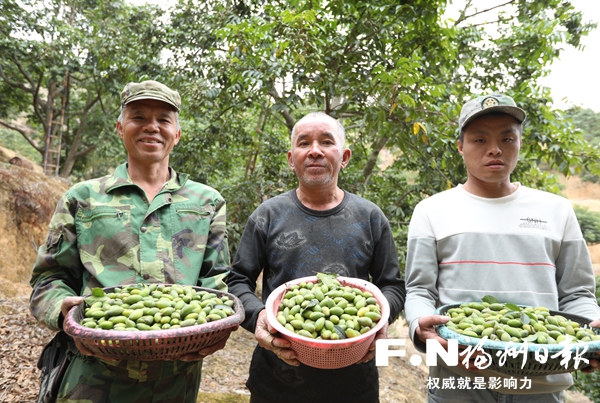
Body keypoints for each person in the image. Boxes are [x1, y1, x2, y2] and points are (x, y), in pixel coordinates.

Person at [29, 80, 233, 403]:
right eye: (138, 117)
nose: (152, 127)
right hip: (93, 377)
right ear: (120, 127)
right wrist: (62, 309)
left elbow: (217, 283)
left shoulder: (208, 202)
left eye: (164, 120)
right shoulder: (83, 199)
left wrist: (218, 328)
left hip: (176, 383)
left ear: (177, 134)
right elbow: (47, 281)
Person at [404, 93, 600, 402]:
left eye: (507, 138)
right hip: (459, 380)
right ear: (460, 147)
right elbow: (419, 291)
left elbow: (577, 295)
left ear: (521, 143)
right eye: (480, 140)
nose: (495, 149)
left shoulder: (557, 210)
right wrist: (419, 326)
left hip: (541, 385)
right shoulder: (431, 211)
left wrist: (591, 333)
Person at [227, 112, 406, 403]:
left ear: (344, 156)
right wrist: (259, 317)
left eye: (326, 142)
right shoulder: (268, 215)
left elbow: (393, 286)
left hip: (354, 383)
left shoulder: (370, 217)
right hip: (277, 380)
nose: (315, 150)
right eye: (304, 143)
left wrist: (381, 320)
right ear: (291, 158)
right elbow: (238, 281)